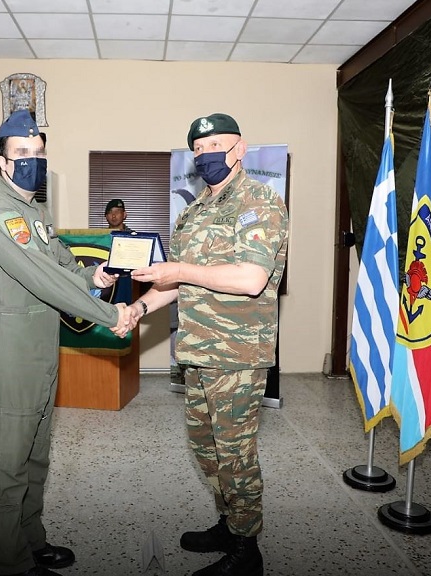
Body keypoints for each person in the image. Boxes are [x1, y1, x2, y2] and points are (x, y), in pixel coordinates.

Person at [0, 109, 131, 576]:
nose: (31, 160)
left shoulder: (34, 211)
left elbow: (61, 263)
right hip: (8, 351)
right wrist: (110, 315)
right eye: (21, 153)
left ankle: (31, 542)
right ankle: (9, 565)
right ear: (2, 162)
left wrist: (93, 277)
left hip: (38, 348)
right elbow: (42, 277)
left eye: (38, 152)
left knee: (34, 458)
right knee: (6, 468)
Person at [128, 113, 289, 576]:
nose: (205, 154)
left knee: (236, 455)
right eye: (198, 149)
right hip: (198, 351)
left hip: (237, 355)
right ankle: (228, 525)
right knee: (207, 449)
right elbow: (176, 282)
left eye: (216, 144)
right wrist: (138, 309)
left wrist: (179, 271)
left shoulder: (259, 202)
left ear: (240, 149)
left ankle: (246, 551)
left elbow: (251, 278)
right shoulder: (194, 210)